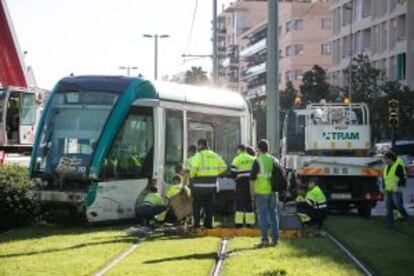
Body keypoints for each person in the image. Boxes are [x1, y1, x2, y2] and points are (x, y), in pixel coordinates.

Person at [190, 139, 227, 229]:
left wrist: (192, 176)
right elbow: (224, 166)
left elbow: (193, 169)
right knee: (209, 206)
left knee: (197, 206)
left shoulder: (199, 155)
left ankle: (197, 224)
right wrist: (215, 173)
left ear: (200, 145)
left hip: (199, 186)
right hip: (211, 185)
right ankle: (208, 224)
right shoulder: (215, 155)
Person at [250, 139, 279, 247]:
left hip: (261, 192)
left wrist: (252, 194)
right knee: (273, 216)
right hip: (272, 191)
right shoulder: (273, 159)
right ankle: (275, 240)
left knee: (263, 217)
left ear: (258, 148)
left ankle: (264, 240)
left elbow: (252, 179)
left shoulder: (257, 160)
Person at [231, 144, 255, 228]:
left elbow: (233, 172)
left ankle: (239, 224)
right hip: (250, 182)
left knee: (240, 203)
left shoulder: (237, 159)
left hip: (240, 182)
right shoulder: (252, 158)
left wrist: (236, 177)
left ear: (239, 150)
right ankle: (250, 223)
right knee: (249, 203)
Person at [383, 151, 409, 226]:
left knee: (398, 205)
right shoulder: (386, 167)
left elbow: (403, 178)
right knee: (388, 207)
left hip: (396, 190)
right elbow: (384, 177)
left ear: (390, 159)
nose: (384, 161)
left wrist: (398, 186)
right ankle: (390, 223)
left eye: (386, 159)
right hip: (388, 190)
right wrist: (384, 187)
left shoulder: (397, 166)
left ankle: (406, 216)